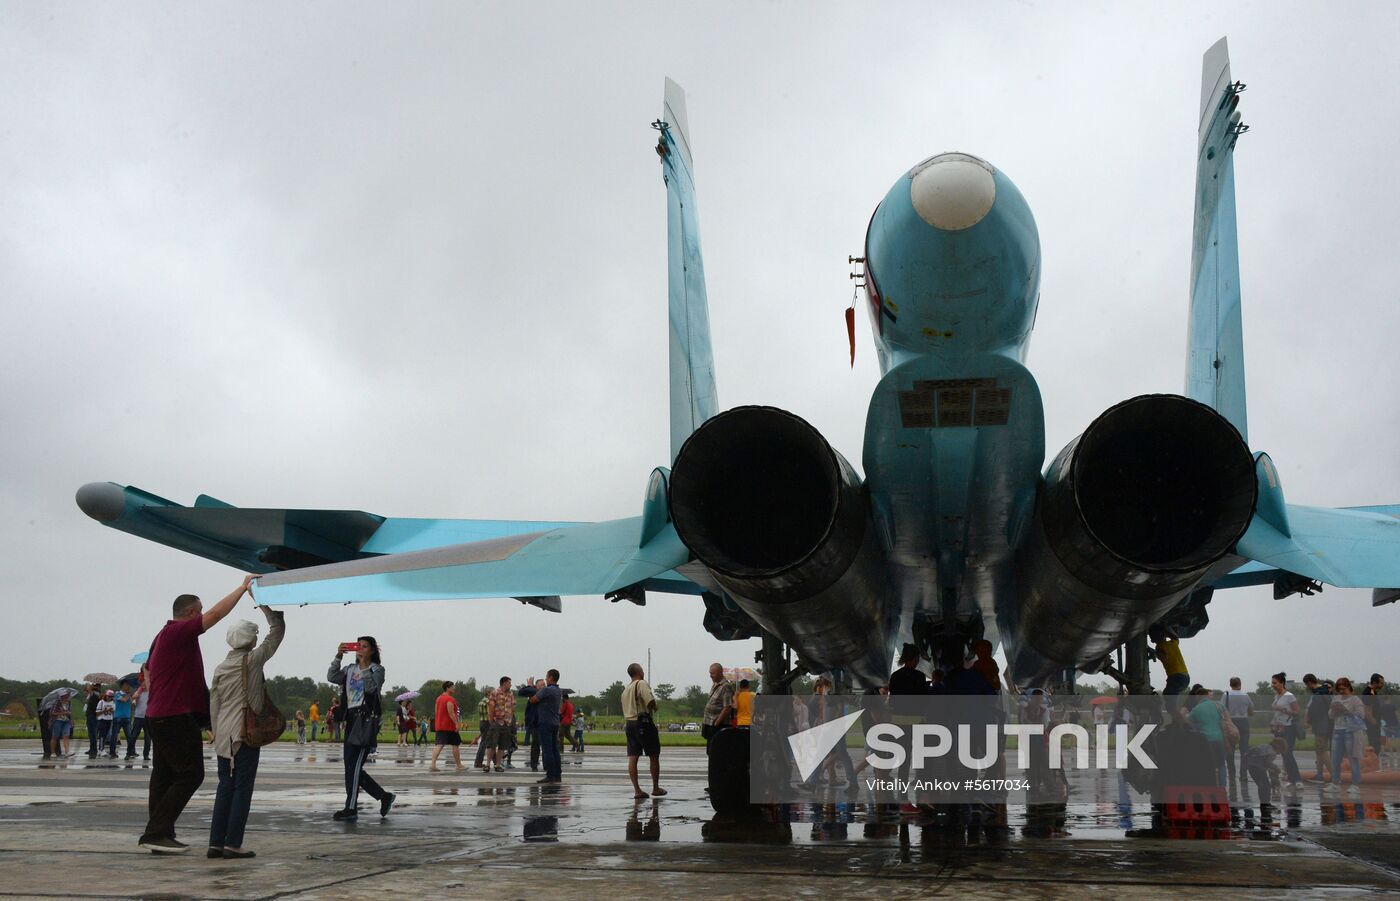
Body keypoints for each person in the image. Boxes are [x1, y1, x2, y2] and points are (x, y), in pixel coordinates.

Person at [139, 575, 255, 854]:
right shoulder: (178, 633)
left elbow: (146, 670)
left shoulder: (161, 637)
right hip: (175, 716)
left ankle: (160, 834)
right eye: (198, 612)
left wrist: (158, 697)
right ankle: (155, 832)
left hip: (158, 715)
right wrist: (242, 588)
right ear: (191, 613)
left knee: (164, 777)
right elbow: (215, 614)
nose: (202, 615)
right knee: (191, 775)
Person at [207, 604, 285, 859]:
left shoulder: (220, 667)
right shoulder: (252, 660)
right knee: (242, 788)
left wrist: (215, 732)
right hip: (245, 733)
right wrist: (267, 608)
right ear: (250, 639)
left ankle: (215, 843)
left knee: (224, 787)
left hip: (223, 736)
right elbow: (276, 634)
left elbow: (214, 704)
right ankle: (233, 843)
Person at [328, 636, 395, 820]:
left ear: (372, 650)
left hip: (365, 721)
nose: (360, 650)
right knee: (351, 767)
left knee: (354, 766)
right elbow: (332, 677)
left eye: (364, 647)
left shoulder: (377, 669)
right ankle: (383, 796)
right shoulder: (350, 669)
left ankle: (351, 808)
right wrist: (338, 656)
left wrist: (365, 666)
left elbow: (372, 688)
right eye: (358, 646)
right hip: (350, 720)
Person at [622, 663, 666, 799]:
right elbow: (650, 701)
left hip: (629, 723)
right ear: (639, 671)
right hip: (643, 722)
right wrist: (654, 707)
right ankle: (655, 787)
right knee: (653, 754)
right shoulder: (641, 683)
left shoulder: (625, 690)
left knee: (633, 757)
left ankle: (637, 790)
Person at [1326, 677, 1370, 797]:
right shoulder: (1336, 699)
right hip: (1337, 731)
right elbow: (1330, 715)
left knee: (1353, 758)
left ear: (1349, 687)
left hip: (1351, 732)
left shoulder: (1355, 700)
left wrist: (1345, 710)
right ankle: (1335, 782)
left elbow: (1361, 715)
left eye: (1343, 689)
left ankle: (1355, 784)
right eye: (1339, 689)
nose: (1341, 692)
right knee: (1335, 759)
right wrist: (1334, 710)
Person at [1186, 687, 1227, 786]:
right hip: (1219, 738)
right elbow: (1225, 722)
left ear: (1199, 696)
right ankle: (1222, 787)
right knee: (1221, 764)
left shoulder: (1196, 709)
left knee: (1208, 764)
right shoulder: (1219, 705)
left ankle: (1210, 785)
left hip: (1206, 740)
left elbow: (1187, 722)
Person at [528, 669, 563, 783]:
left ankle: (550, 774)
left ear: (551, 677)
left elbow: (533, 700)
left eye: (547, 677)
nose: (546, 679)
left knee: (547, 750)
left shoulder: (547, 690)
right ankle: (557, 774)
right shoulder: (558, 690)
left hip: (546, 723)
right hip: (555, 722)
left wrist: (530, 687)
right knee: (555, 749)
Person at [1269, 672, 1303, 789]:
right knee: (1283, 754)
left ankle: (1297, 779)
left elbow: (1297, 711)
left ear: (1282, 683)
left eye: (1275, 683)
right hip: (1278, 728)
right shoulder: (1276, 697)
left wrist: (1284, 710)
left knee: (1288, 753)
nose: (1273, 685)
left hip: (1288, 728)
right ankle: (1291, 779)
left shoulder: (1289, 696)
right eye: (1272, 683)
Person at [1302, 674, 1333, 783]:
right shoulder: (1325, 692)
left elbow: (1314, 709)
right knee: (1319, 751)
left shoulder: (1319, 693)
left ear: (1309, 683)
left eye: (1306, 684)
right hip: (1326, 725)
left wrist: (1308, 721)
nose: (1306, 687)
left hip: (1321, 726)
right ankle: (1319, 774)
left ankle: (1334, 776)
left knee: (1322, 750)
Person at [1243, 737, 1288, 809]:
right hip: (1258, 768)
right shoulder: (1272, 752)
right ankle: (1266, 804)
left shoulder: (1265, 746)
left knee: (1261, 786)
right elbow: (1268, 762)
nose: (1279, 753)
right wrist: (1276, 768)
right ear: (1279, 746)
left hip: (1251, 766)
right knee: (1266, 787)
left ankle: (1263, 803)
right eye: (1281, 751)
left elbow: (1249, 753)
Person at [1222, 676, 1254, 780]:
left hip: (1231, 722)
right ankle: (1243, 774)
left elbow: (1222, 709)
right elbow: (1251, 711)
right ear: (1240, 684)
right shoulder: (1246, 696)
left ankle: (1231, 772)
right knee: (1244, 749)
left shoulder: (1226, 695)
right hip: (1244, 721)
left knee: (1230, 748)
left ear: (1230, 685)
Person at [430, 681, 465, 772]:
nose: (454, 688)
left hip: (440, 725)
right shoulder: (450, 699)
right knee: (455, 744)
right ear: (447, 688)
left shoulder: (438, 698)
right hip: (449, 726)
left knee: (439, 744)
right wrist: (456, 723)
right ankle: (459, 765)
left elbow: (436, 711)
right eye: (452, 687)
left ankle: (433, 764)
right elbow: (451, 713)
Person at [484, 677, 514, 773]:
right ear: (504, 683)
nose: (510, 685)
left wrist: (510, 719)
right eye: (509, 683)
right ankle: (488, 764)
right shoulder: (495, 693)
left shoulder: (510, 694)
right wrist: (491, 720)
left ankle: (497, 765)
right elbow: (491, 706)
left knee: (502, 745)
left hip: (506, 722)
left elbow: (512, 706)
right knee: (492, 744)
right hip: (497, 721)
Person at [701, 663, 735, 744]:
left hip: (718, 725)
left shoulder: (726, 686)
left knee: (715, 750)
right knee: (710, 749)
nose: (710, 675)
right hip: (709, 723)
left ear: (720, 673)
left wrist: (716, 723)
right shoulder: (715, 684)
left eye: (712, 673)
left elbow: (727, 707)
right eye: (710, 673)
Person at [1151, 628, 1190, 698]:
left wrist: (1156, 654)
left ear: (1153, 640)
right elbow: (1175, 637)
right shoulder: (1173, 643)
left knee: (1168, 696)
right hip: (1186, 677)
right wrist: (1166, 630)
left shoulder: (1159, 647)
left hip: (1176, 676)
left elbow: (1165, 659)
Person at [519, 678, 541, 771]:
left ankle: (546, 765)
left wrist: (531, 687)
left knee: (545, 744)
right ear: (536, 686)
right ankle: (534, 765)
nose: (544, 686)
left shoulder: (545, 693)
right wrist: (530, 686)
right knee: (536, 744)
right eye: (542, 685)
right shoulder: (533, 692)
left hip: (543, 722)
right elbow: (521, 692)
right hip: (535, 723)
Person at [109, 680, 135, 759]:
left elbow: (132, 704)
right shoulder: (117, 694)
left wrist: (131, 697)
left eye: (128, 685)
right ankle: (112, 753)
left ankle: (130, 752)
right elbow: (123, 700)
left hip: (127, 718)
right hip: (118, 717)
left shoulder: (129, 696)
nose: (128, 686)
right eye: (126, 685)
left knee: (129, 736)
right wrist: (129, 695)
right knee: (114, 736)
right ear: (122, 686)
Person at [1363, 674, 1386, 758]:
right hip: (1372, 725)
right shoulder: (1368, 692)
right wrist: (1374, 723)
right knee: (1373, 745)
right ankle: (1371, 766)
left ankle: (1374, 764)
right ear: (1374, 683)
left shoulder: (1373, 692)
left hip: (1376, 723)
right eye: (1381, 683)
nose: (1382, 685)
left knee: (1376, 745)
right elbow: (1367, 710)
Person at [131, 670, 151, 760]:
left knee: (148, 738)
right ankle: (129, 752)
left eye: (144, 682)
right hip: (138, 717)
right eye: (141, 682)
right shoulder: (139, 692)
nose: (143, 684)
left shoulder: (151, 692)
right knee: (134, 735)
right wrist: (137, 695)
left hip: (148, 717)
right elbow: (133, 698)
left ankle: (146, 755)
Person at [48, 691, 74, 758]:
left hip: (66, 721)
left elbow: (70, 712)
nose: (68, 696)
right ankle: (53, 752)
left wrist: (71, 719)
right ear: (63, 695)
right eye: (67, 695)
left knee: (66, 736)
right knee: (55, 737)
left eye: (69, 695)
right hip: (57, 721)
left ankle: (67, 752)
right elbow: (51, 713)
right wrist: (62, 713)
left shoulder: (69, 702)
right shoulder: (57, 703)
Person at [474, 693, 492, 770]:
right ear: (488, 694)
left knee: (486, 742)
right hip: (487, 722)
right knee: (485, 742)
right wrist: (491, 722)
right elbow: (489, 712)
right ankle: (478, 762)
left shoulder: (481, 702)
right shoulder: (488, 701)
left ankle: (479, 761)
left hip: (482, 722)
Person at [84, 684, 102, 758]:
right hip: (91, 715)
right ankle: (92, 748)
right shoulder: (95, 695)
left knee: (93, 733)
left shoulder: (95, 695)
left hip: (93, 716)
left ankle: (93, 749)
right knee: (91, 734)